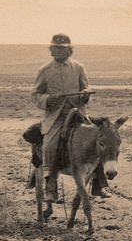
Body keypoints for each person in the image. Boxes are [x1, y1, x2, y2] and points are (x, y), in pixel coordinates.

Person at [31, 33, 93, 203]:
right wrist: (48, 100)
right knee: (50, 144)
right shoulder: (44, 70)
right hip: (56, 116)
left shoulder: (79, 68)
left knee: (100, 136)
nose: (58, 51)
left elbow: (85, 88)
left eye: (62, 48)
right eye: (55, 48)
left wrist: (85, 95)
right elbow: (36, 95)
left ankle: (99, 184)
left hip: (78, 113)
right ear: (51, 50)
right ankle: (51, 187)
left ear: (69, 50)